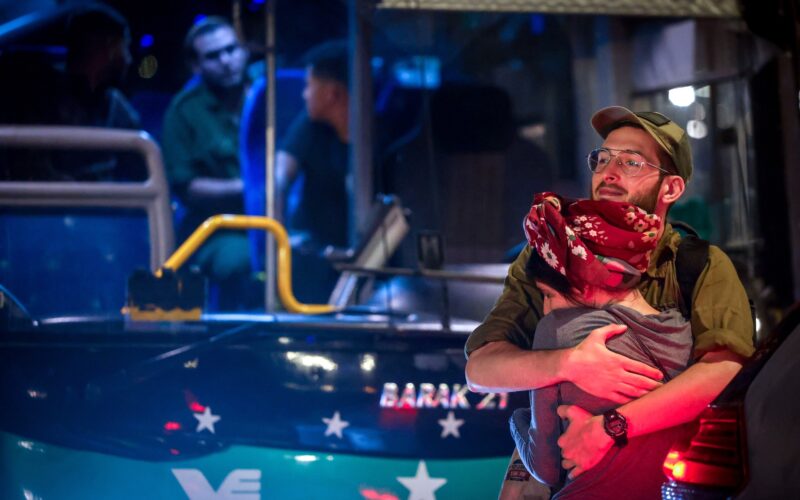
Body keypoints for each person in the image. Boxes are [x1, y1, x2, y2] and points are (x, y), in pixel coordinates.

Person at [464, 107, 755, 499]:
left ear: (670, 189)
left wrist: (610, 427)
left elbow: (724, 371)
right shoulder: (552, 255)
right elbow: (480, 370)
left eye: (631, 162)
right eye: (602, 158)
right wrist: (570, 364)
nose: (609, 172)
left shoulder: (698, 264)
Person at [510, 193, 693, 498]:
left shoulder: (556, 332)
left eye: (549, 294)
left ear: (582, 280)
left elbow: (545, 467)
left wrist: (516, 422)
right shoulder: (682, 333)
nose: (546, 309)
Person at [161, 16, 253, 308]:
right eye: (214, 56)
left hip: (277, 218)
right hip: (216, 228)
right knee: (240, 261)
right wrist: (248, 189)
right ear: (196, 65)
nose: (227, 61)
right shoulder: (184, 111)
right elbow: (186, 187)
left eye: (231, 50)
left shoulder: (266, 94)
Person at [0, 4, 142, 181]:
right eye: (125, 47)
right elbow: (31, 171)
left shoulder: (114, 105)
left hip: (104, 206)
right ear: (109, 48)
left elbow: (142, 168)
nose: (128, 60)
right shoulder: (41, 100)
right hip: (51, 206)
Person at [275, 40, 350, 302]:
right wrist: (285, 237)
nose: (304, 94)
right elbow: (279, 178)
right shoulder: (310, 125)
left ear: (332, 94)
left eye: (309, 85)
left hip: (363, 258)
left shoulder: (379, 137)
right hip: (316, 254)